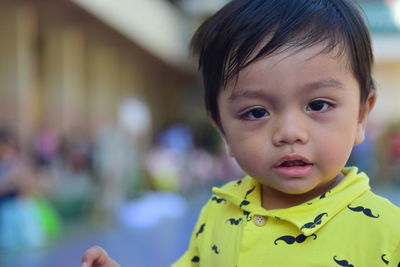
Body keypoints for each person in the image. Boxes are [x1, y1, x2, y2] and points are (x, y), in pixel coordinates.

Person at [81, 0, 400, 266]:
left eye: (317, 105)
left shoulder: (386, 231)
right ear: (222, 129)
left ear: (361, 114)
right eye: (257, 112)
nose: (289, 133)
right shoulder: (219, 213)